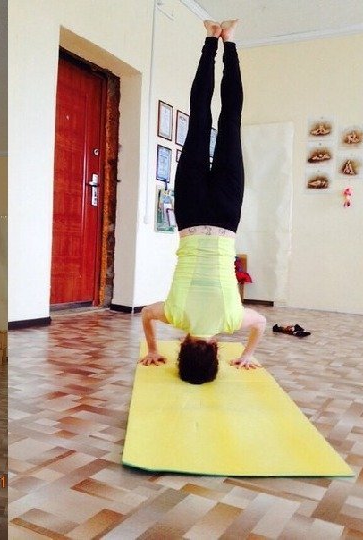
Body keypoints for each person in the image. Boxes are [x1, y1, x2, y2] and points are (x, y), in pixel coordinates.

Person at [139, 19, 267, 384]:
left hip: (225, 218)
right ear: (182, 349)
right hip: (192, 214)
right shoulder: (175, 316)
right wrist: (152, 348)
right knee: (199, 119)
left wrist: (247, 355)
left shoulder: (231, 320)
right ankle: (211, 40)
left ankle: (230, 42)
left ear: (215, 353)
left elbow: (260, 323)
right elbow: (146, 314)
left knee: (230, 121)